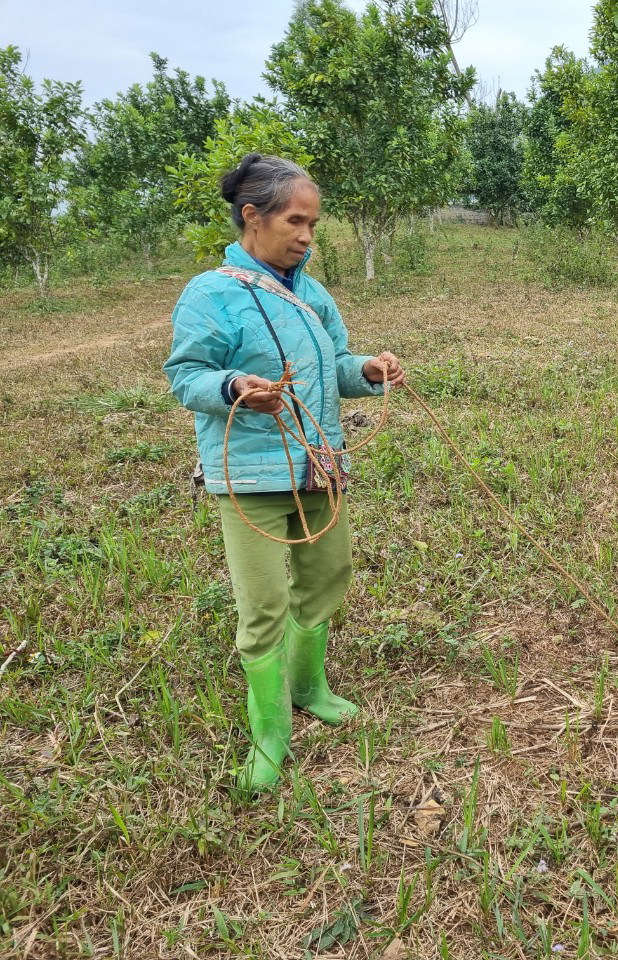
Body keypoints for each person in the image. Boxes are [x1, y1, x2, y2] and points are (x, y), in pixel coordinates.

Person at [164, 153, 406, 793]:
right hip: (251, 477)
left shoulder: (313, 292)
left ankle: (308, 686)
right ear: (253, 216)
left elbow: (335, 369)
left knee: (327, 576)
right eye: (295, 222)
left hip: (319, 467)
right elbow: (185, 375)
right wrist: (234, 383)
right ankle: (269, 733)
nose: (306, 237)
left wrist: (369, 372)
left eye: (313, 225)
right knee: (263, 605)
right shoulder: (211, 293)